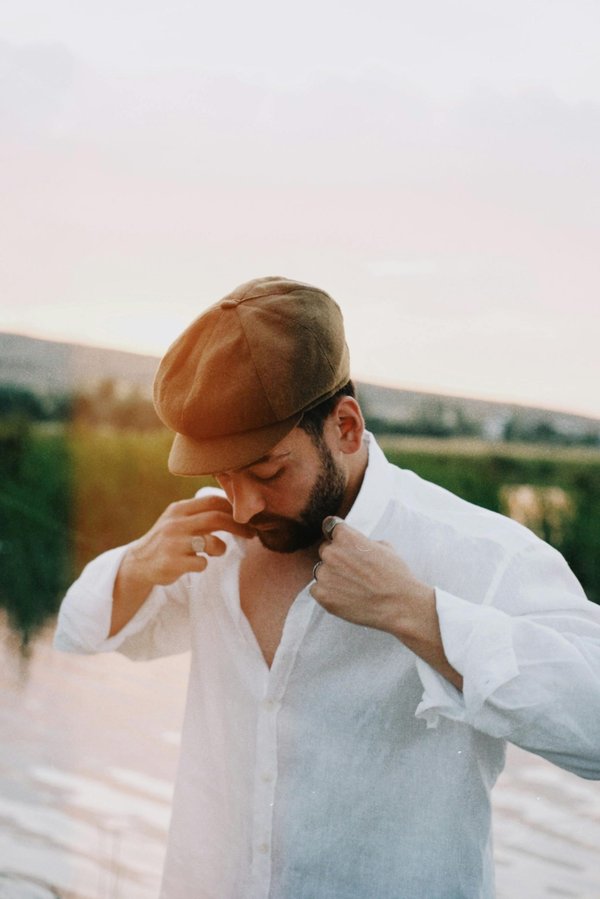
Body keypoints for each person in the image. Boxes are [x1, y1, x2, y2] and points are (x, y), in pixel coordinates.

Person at [55, 276, 600, 899]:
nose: (240, 505)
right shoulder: (214, 539)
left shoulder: (477, 550)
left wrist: (417, 613)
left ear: (344, 426)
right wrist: (136, 566)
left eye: (267, 472)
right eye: (223, 476)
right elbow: (79, 630)